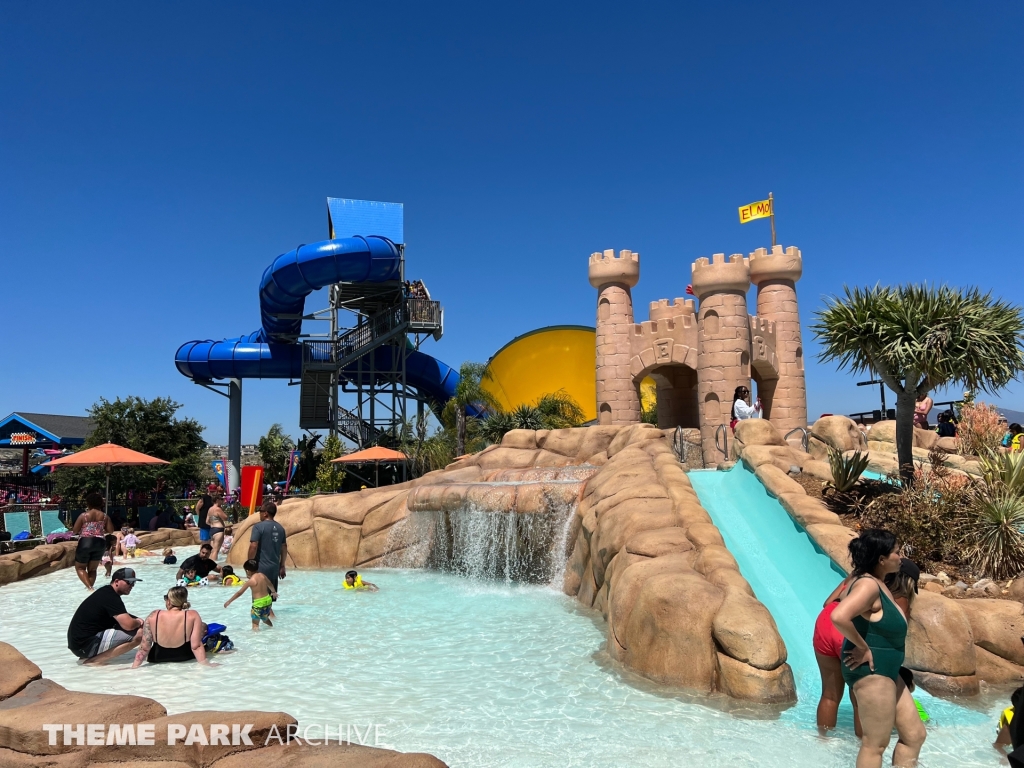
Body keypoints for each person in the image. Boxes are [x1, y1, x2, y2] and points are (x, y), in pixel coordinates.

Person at [831, 530, 925, 768]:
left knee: (914, 735)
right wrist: (862, 647)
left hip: (888, 672)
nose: (901, 557)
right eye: (896, 552)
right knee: (875, 744)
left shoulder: (880, 585)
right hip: (872, 673)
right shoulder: (868, 585)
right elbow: (839, 615)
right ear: (882, 559)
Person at [67, 568, 144, 665]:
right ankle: (94, 661)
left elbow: (121, 615)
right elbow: (128, 625)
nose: (132, 586)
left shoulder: (105, 592)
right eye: (129, 582)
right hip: (85, 646)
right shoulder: (110, 597)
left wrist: (136, 620)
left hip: (78, 645)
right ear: (116, 581)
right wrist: (138, 622)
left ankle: (89, 657)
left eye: (133, 583)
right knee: (140, 634)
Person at [132, 585, 216, 667]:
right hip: (185, 658)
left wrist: (134, 667)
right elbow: (196, 646)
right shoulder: (192, 615)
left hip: (157, 658)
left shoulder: (154, 615)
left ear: (169, 600)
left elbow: (145, 646)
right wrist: (205, 664)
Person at [71, 492, 114, 590]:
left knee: (80, 568)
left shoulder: (84, 516)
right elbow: (111, 530)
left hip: (86, 542)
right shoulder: (104, 516)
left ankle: (90, 588)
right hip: (100, 542)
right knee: (92, 569)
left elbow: (75, 530)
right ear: (100, 503)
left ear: (88, 503)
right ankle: (90, 589)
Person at [224, 559, 278, 630]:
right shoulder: (262, 575)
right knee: (265, 619)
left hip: (258, 604)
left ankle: (255, 639)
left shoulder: (251, 581)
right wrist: (274, 592)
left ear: (247, 571)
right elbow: (270, 584)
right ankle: (273, 629)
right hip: (268, 601)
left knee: (255, 625)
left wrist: (229, 601)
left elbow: (239, 593)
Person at [248, 500, 287, 592]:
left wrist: (249, 564)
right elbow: (284, 547)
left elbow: (253, 546)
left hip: (260, 568)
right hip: (274, 569)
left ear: (265, 513)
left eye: (260, 511)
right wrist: (282, 566)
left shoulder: (258, 527)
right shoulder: (280, 528)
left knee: (259, 599)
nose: (259, 513)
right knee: (270, 599)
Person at [206, 494, 229, 561]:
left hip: (212, 530)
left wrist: (213, 524)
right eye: (221, 499)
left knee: (212, 550)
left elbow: (207, 521)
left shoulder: (210, 509)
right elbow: (225, 518)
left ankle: (209, 565)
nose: (222, 501)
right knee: (216, 550)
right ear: (217, 500)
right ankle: (214, 565)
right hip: (218, 530)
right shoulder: (218, 509)